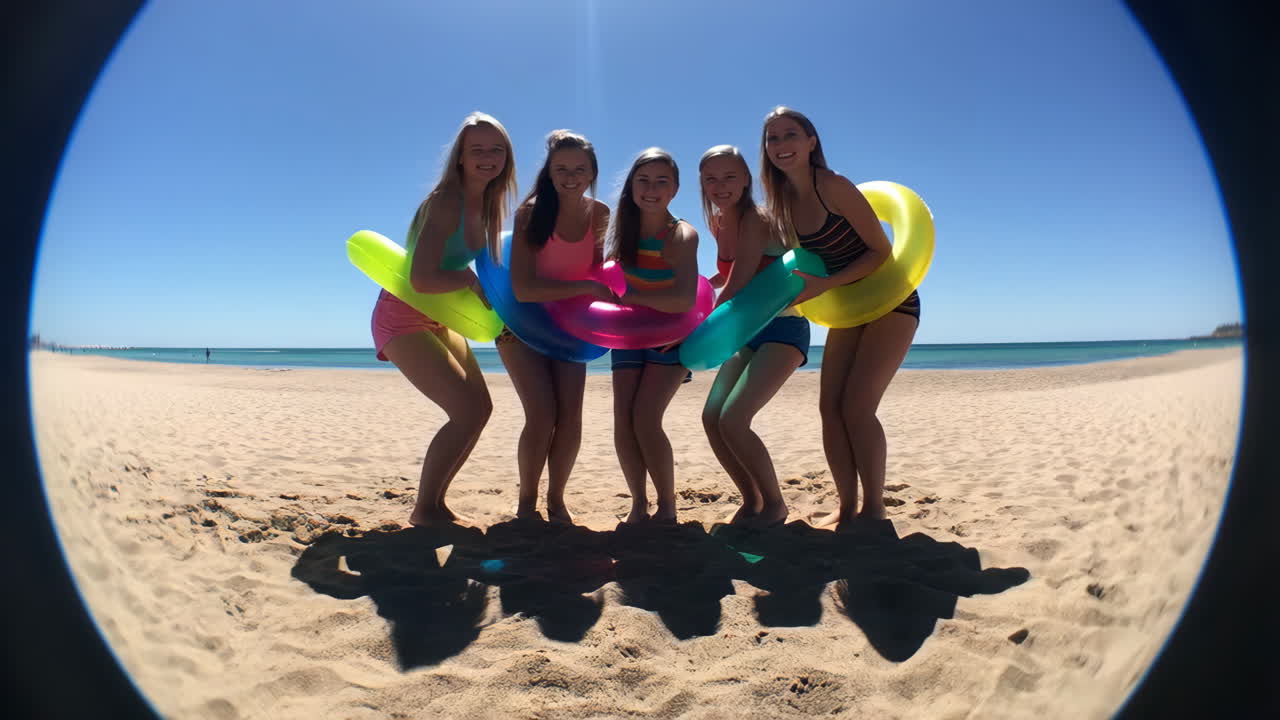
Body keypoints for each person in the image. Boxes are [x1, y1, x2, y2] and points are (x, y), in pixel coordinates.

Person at [759, 106, 921, 530]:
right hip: (849, 305)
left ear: (811, 142)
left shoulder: (833, 186)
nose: (781, 145)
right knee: (830, 408)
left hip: (891, 298)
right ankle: (847, 507)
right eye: (772, 138)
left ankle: (875, 509)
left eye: (790, 135)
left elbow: (880, 251)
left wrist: (827, 284)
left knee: (857, 407)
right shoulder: (783, 203)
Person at [369, 111, 516, 527]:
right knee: (465, 412)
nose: (487, 157)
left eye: (496, 149)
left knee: (480, 409)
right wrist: (467, 279)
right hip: (403, 315)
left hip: (440, 315)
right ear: (460, 157)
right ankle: (425, 509)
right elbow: (421, 278)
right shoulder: (447, 201)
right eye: (477, 149)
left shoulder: (487, 205)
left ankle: (435, 504)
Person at [498, 130, 615, 524]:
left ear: (592, 172)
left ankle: (556, 499)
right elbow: (523, 288)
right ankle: (526, 501)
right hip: (520, 323)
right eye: (561, 168)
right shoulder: (530, 214)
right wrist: (584, 287)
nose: (571, 177)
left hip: (570, 326)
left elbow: (597, 271)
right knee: (541, 414)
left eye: (580, 169)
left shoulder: (599, 213)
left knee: (570, 418)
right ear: (549, 171)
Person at [698, 145, 810, 528]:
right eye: (711, 178)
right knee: (712, 418)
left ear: (746, 179)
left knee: (733, 419)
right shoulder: (718, 222)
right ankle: (752, 500)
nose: (720, 185)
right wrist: (700, 287)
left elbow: (738, 283)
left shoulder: (757, 219)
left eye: (729, 176)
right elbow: (728, 275)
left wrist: (696, 331)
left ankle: (775, 504)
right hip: (746, 330)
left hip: (783, 327)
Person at [607, 148, 700, 524]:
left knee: (646, 419)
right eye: (643, 180)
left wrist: (631, 297)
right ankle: (638, 503)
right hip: (628, 334)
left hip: (670, 336)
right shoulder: (621, 234)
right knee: (623, 421)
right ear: (631, 187)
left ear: (674, 189)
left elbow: (683, 299)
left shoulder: (681, 234)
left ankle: (667, 505)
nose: (651, 189)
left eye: (662, 181)